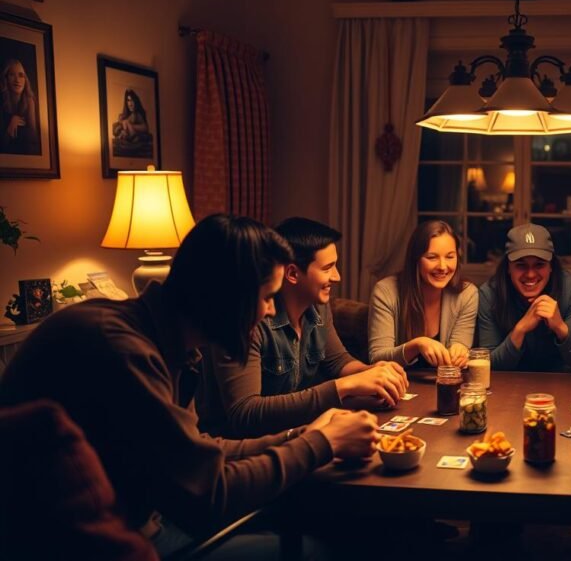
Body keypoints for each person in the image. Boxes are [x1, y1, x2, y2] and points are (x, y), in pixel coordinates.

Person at [0, 214, 380, 559]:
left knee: (330, 520)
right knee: (327, 547)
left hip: (153, 514)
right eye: (266, 298)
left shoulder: (171, 342)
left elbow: (202, 450)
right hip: (104, 539)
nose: (268, 311)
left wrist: (302, 434)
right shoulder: (123, 349)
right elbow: (209, 494)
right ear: (228, 297)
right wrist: (322, 443)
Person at [197, 217, 408, 438]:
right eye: (328, 268)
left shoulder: (318, 308)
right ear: (292, 274)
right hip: (241, 449)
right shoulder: (249, 317)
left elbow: (338, 361)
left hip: (296, 433)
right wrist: (343, 386)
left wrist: (374, 372)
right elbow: (245, 414)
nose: (337, 277)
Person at [476, 223, 571, 373]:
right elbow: (488, 367)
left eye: (539, 265)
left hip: (562, 383)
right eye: (521, 265)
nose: (531, 274)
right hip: (509, 386)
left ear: (551, 266)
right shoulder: (489, 294)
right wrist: (520, 330)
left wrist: (560, 328)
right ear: (508, 267)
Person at [368, 220, 478, 368]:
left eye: (450, 257)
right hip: (397, 384)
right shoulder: (386, 292)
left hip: (443, 384)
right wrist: (417, 345)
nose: (443, 266)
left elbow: (460, 348)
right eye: (432, 257)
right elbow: (377, 359)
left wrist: (460, 351)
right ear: (415, 260)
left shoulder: (467, 294)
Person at [0, 58, 39, 155]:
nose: (17, 80)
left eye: (21, 75)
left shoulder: (29, 101)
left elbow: (34, 140)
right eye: (12, 75)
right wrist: (11, 124)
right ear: (5, 78)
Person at [112, 88, 153, 157]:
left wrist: (129, 125)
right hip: (128, 138)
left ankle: (127, 136)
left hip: (133, 138)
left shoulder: (137, 114)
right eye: (128, 100)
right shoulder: (124, 116)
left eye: (132, 100)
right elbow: (116, 130)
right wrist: (122, 126)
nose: (130, 103)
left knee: (126, 122)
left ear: (135, 101)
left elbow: (145, 128)